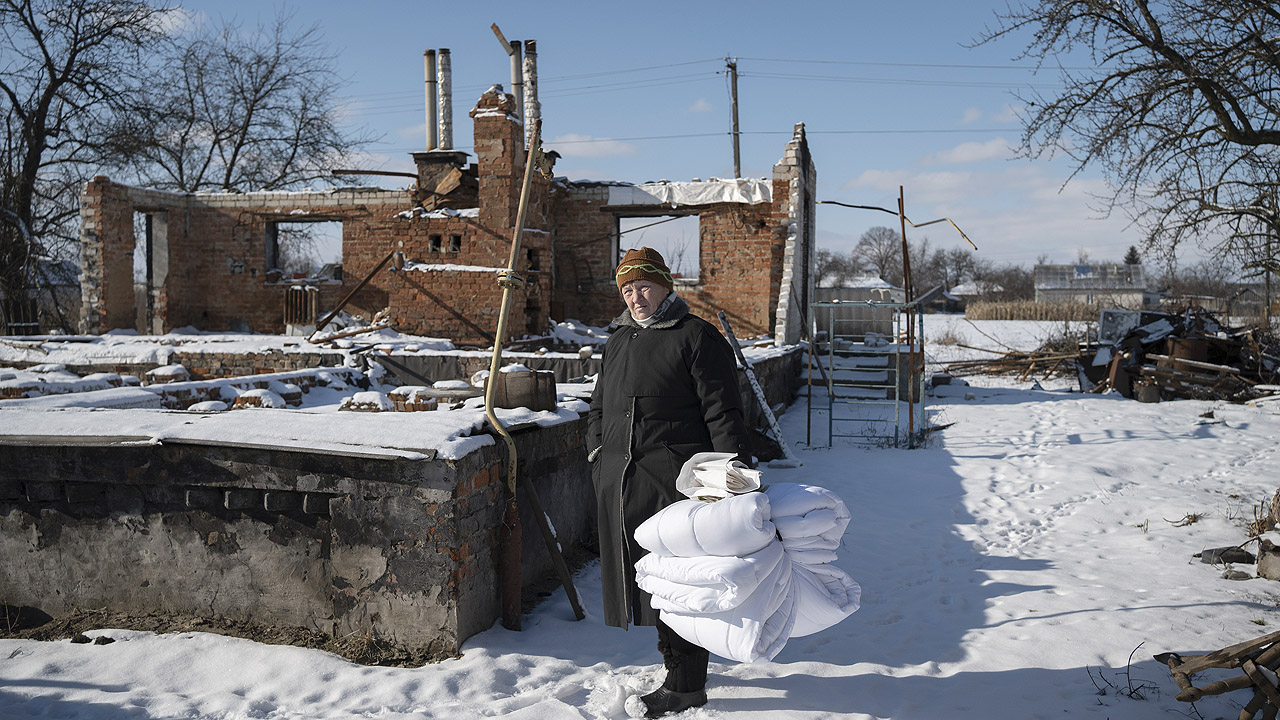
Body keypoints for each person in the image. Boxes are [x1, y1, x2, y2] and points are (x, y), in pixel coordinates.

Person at [587, 247, 753, 718]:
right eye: (626, 289)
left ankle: (685, 685)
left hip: (677, 485)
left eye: (643, 286)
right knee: (648, 582)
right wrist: (597, 453)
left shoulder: (697, 337)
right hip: (622, 481)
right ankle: (676, 669)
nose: (635, 297)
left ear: (665, 286)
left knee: (679, 583)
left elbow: (723, 411)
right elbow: (598, 407)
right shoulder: (618, 339)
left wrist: (729, 476)